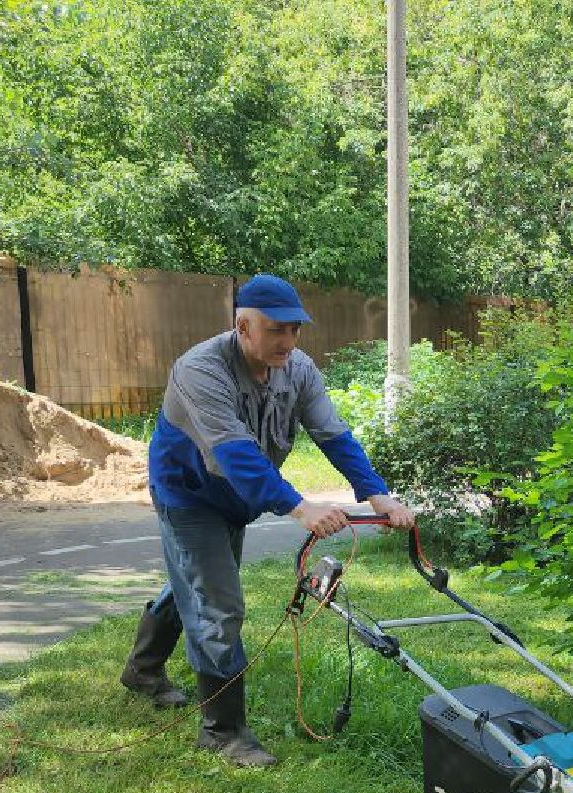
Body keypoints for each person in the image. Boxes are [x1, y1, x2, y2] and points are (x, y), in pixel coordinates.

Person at [119, 273, 416, 767]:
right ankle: (222, 731)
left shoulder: (296, 368)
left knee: (200, 581)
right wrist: (301, 508)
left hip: (237, 499)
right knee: (217, 602)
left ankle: (143, 671)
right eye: (276, 330)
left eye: (295, 330)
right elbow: (236, 455)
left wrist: (376, 493)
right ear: (243, 325)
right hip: (189, 495)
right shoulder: (200, 370)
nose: (289, 341)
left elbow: (333, 433)